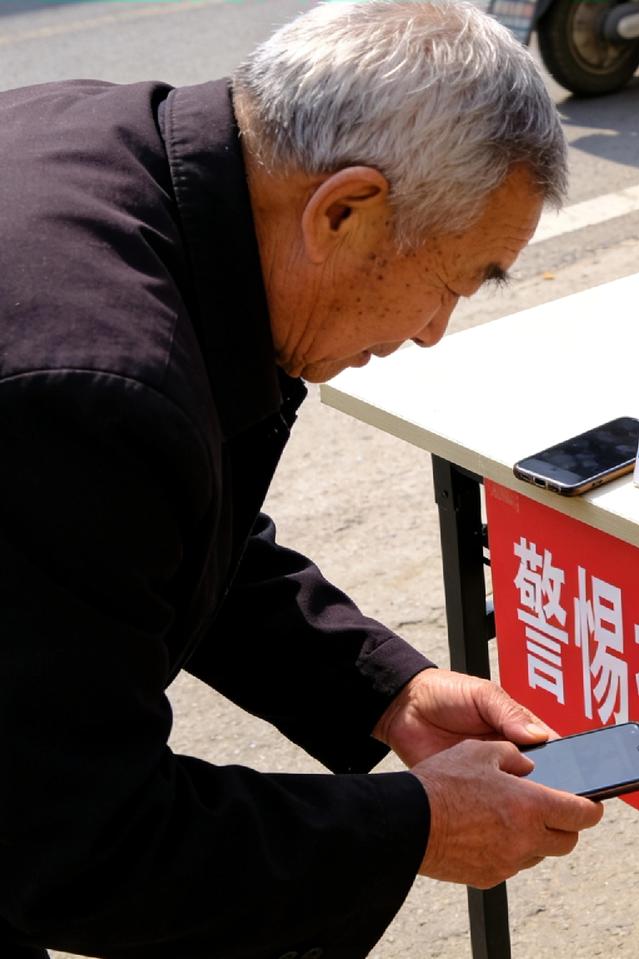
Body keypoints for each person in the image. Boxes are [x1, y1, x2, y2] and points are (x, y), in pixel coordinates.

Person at [0, 3, 603, 957]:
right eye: (452, 280)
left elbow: (156, 541)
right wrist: (417, 826)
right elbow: (79, 844)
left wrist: (385, 688)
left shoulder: (122, 151)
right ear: (343, 211)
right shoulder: (96, 390)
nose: (434, 330)